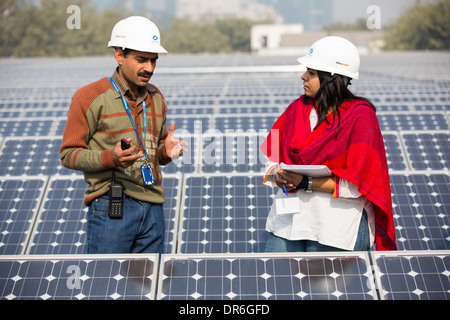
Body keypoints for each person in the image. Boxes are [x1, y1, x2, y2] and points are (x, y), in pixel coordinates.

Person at [60, 16, 187, 254]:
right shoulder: (89, 97)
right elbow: (68, 154)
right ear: (119, 55)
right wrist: (111, 158)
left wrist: (165, 153)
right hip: (113, 206)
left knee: (148, 286)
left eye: (153, 60)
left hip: (154, 206)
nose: (149, 68)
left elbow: (154, 154)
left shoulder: (156, 98)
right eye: (141, 59)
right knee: (106, 284)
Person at [261, 36, 396, 252]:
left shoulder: (360, 117)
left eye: (312, 73)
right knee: (275, 280)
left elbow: (359, 184)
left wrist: (305, 182)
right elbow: (270, 157)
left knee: (323, 287)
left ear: (331, 79)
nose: (303, 76)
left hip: (334, 228)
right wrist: (276, 176)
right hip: (287, 224)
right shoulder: (296, 109)